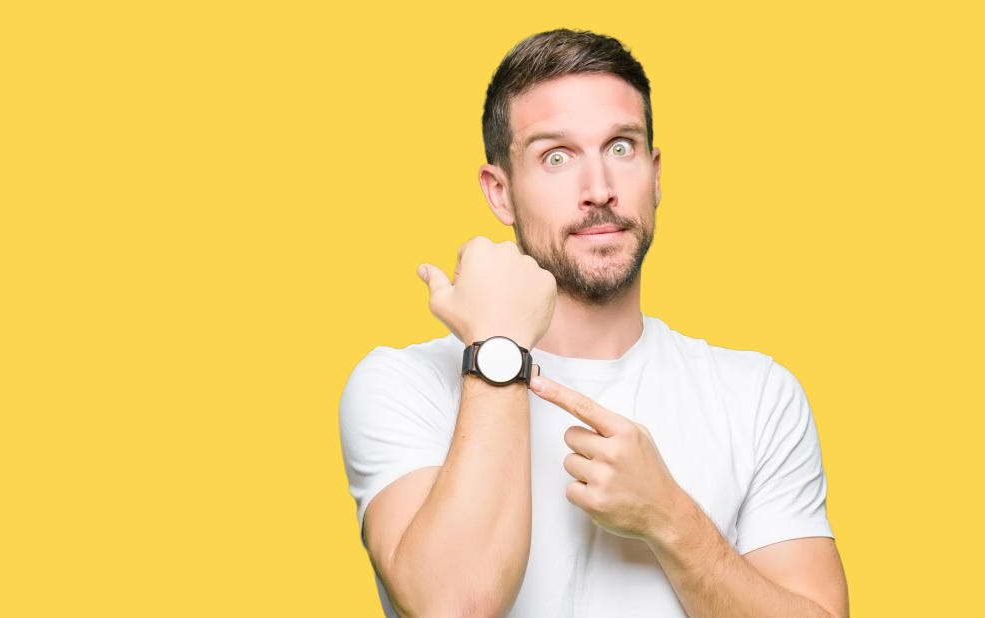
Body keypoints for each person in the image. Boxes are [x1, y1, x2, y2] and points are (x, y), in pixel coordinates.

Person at [338, 29, 848, 617]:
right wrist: (497, 347)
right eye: (556, 157)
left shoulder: (758, 394)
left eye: (622, 148)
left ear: (655, 175)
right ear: (499, 193)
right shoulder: (403, 384)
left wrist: (670, 519)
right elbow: (456, 607)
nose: (599, 190)